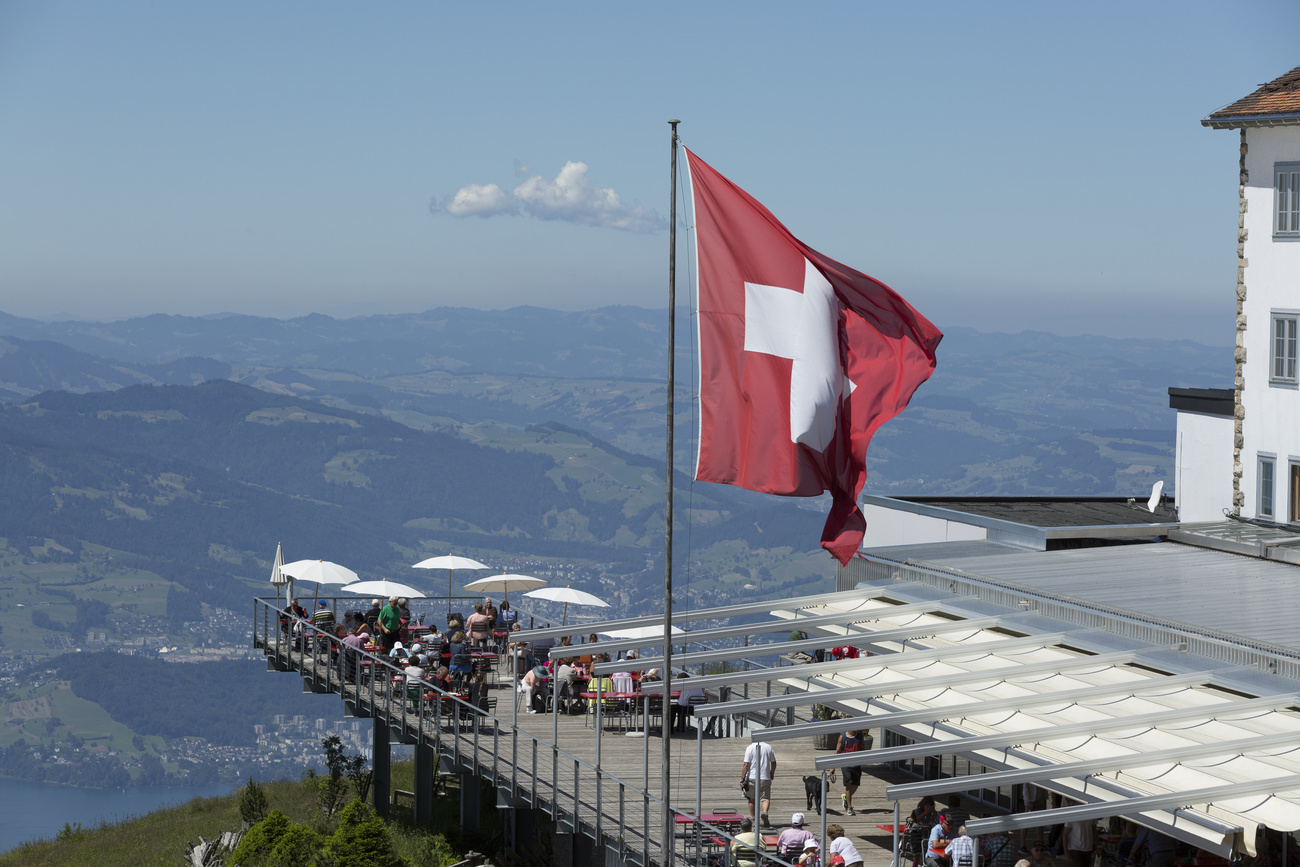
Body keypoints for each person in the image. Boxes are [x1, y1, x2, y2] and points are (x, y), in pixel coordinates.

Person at [741, 739, 777, 828]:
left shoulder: (750, 748)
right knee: (765, 798)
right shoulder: (768, 747)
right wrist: (771, 773)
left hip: (752, 777)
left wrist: (742, 778)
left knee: (751, 799)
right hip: (765, 777)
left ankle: (753, 819)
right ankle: (764, 812)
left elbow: (746, 764)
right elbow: (773, 762)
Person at [835, 729, 867, 815]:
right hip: (846, 764)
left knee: (856, 785)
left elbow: (862, 748)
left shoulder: (860, 736)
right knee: (849, 784)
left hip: (857, 764)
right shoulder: (843, 737)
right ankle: (849, 807)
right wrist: (832, 767)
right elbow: (837, 751)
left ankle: (845, 797)